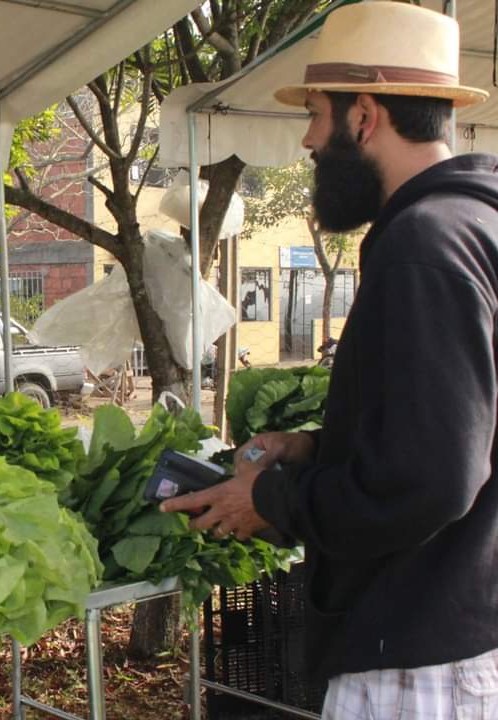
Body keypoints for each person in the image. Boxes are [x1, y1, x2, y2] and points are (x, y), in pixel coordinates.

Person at [161, 3, 498, 718]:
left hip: (415, 654)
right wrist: (313, 446)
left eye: (316, 113)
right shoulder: (477, 227)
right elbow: (458, 428)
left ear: (365, 116)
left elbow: (432, 481)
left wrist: (270, 498)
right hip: (456, 629)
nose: (309, 140)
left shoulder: (425, 244)